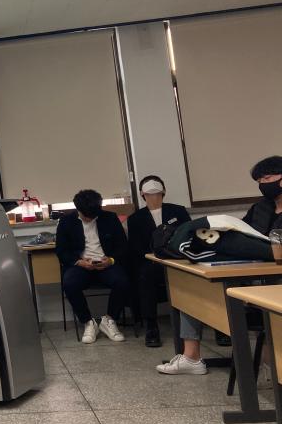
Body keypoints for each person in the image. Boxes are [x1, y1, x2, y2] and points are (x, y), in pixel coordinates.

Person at [156, 155, 282, 375]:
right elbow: (242, 232)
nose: (263, 184)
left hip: (274, 277)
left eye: (267, 178)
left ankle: (270, 362)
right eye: (259, 181)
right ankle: (191, 357)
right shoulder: (261, 207)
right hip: (248, 268)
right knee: (194, 290)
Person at [56, 189, 131, 344]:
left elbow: (123, 246)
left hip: (106, 264)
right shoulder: (66, 221)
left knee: (123, 281)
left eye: (93, 216)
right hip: (81, 265)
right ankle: (88, 322)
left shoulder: (110, 218)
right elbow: (61, 251)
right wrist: (79, 261)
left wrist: (111, 260)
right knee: (69, 283)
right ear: (78, 209)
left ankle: (109, 320)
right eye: (86, 217)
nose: (90, 219)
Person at [126, 176, 191, 347]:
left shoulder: (178, 211)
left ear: (163, 193)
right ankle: (151, 325)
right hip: (152, 262)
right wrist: (153, 256)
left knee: (197, 277)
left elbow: (188, 234)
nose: (154, 198)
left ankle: (213, 325)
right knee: (145, 276)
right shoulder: (135, 218)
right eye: (150, 195)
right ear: (143, 195)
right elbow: (136, 247)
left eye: (157, 194)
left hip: (178, 260)